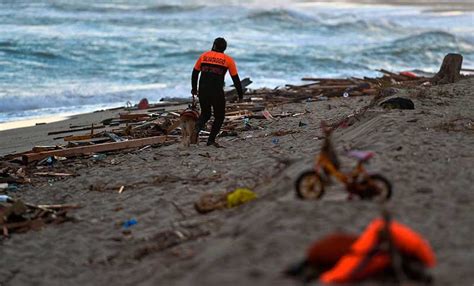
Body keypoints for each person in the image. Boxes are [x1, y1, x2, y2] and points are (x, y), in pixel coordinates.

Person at [191, 37, 243, 147]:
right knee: (219, 117)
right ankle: (210, 140)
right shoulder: (228, 60)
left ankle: (196, 128)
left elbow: (195, 73)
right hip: (216, 92)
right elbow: (235, 79)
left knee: (206, 114)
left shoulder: (203, 56)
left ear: (214, 45)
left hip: (203, 90)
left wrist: (194, 89)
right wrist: (240, 94)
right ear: (224, 48)